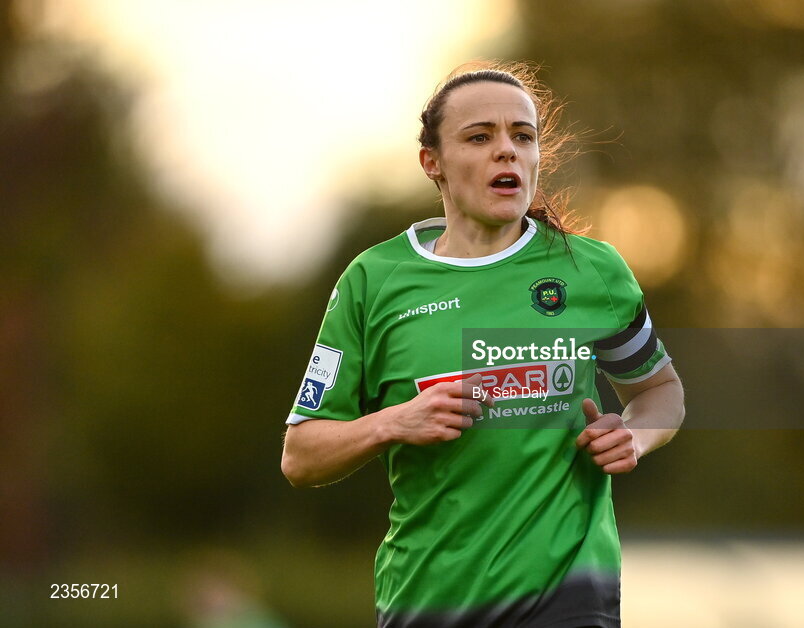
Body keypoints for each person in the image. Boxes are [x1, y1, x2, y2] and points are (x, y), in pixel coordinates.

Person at [280, 61, 685, 628]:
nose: (507, 152)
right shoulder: (373, 282)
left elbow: (661, 391)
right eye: (479, 137)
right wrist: (395, 422)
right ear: (433, 163)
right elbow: (301, 456)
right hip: (428, 602)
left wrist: (635, 437)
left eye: (523, 136)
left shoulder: (592, 272)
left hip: (570, 599)